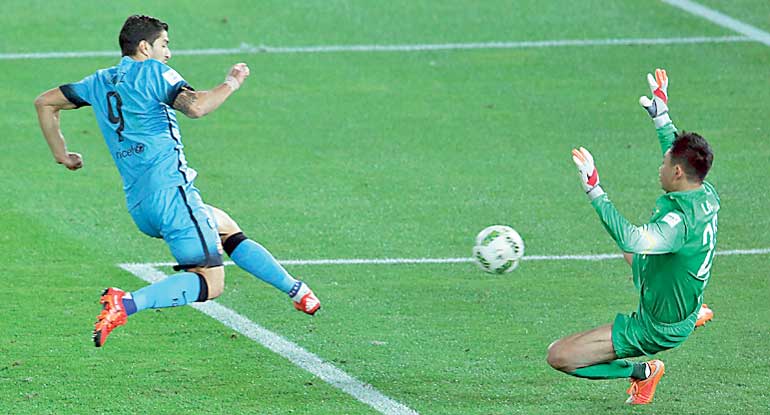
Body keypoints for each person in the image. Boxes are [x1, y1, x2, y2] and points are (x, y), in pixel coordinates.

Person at [34, 15, 321, 348]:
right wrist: (232, 82)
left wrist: (63, 155)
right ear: (145, 47)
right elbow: (196, 107)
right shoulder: (153, 72)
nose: (168, 53)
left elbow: (45, 102)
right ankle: (126, 303)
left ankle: (296, 290)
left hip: (141, 205)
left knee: (224, 226)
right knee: (211, 282)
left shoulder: (100, 81)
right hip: (173, 196)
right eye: (164, 45)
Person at [546, 69, 719, 405]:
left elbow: (632, 239)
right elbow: (677, 151)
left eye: (665, 164)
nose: (661, 166)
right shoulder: (704, 192)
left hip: (658, 327)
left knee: (560, 356)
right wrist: (662, 116)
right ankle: (691, 309)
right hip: (675, 288)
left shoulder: (677, 226)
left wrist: (595, 189)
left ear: (678, 173)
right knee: (644, 259)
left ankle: (644, 371)